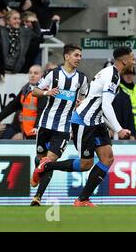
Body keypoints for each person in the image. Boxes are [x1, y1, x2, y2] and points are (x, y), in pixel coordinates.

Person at [31, 47, 134, 207]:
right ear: (125, 60)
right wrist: (118, 128)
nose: (134, 61)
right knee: (86, 164)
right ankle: (46, 165)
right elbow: (106, 105)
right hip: (84, 122)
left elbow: (94, 100)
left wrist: (111, 126)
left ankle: (82, 199)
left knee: (107, 158)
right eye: (133, 58)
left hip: (96, 121)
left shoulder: (108, 72)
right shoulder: (112, 75)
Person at [29, 44, 88, 206]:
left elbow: (84, 98)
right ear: (67, 57)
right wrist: (47, 92)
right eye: (76, 55)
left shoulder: (82, 79)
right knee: (41, 160)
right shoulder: (53, 74)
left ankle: (37, 197)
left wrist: (80, 102)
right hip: (45, 124)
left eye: (80, 56)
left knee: (48, 161)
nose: (79, 58)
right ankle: (37, 173)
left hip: (63, 128)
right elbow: (35, 91)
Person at [0, 65, 45, 139]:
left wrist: (36, 127)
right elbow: (13, 105)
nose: (32, 75)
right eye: (30, 73)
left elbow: (42, 112)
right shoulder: (26, 88)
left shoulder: (43, 90)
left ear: (42, 76)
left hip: (39, 132)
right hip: (27, 131)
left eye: (36, 73)